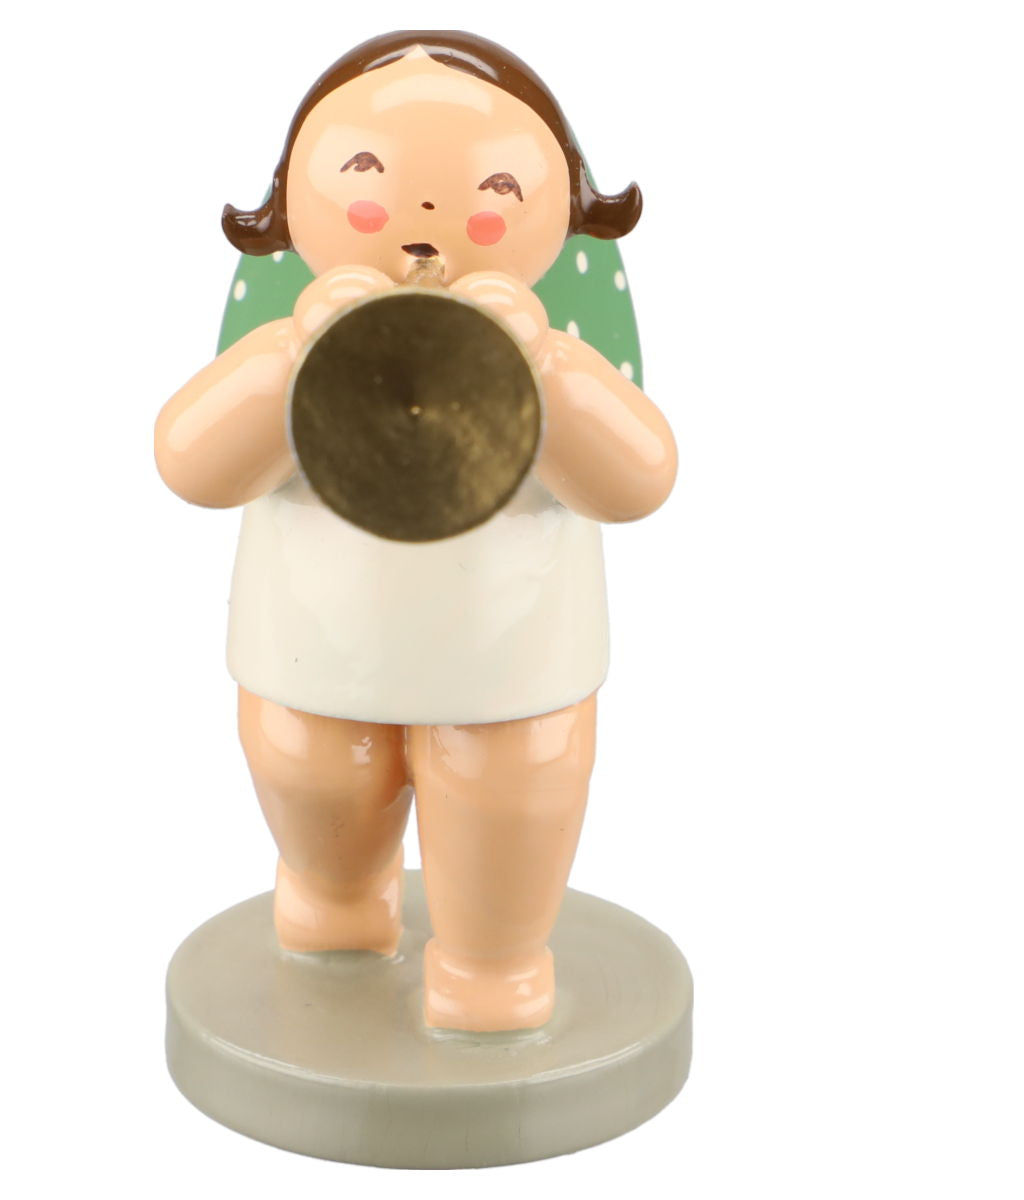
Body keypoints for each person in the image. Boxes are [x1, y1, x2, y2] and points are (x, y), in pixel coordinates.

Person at [154, 31, 677, 1032]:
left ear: (562, 209)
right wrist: (289, 362)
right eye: (367, 175)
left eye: (494, 188)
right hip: (310, 647)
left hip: (515, 662)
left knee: (508, 800)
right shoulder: (280, 327)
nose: (425, 218)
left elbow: (641, 478)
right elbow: (188, 460)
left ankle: (493, 968)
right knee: (311, 777)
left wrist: (546, 375)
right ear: (294, 199)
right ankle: (334, 903)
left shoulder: (565, 342)